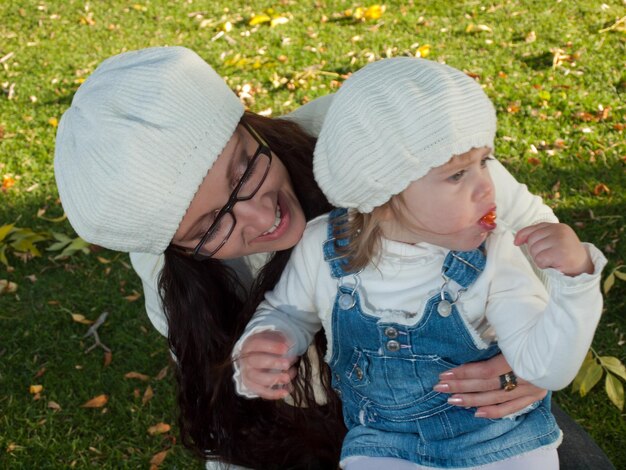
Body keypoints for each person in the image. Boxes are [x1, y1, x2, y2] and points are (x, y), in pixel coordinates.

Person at [53, 46, 614, 469]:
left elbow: (534, 234)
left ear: (247, 122)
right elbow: (236, 419)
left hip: (475, 403)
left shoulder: (378, 136)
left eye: (245, 168)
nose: (259, 216)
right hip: (326, 437)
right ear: (176, 248)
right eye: (210, 226)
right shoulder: (172, 285)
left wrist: (528, 362)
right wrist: (259, 358)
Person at [233, 58, 607, 469]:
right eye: (457, 175)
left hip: (500, 440)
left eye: (484, 161)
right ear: (384, 195)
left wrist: (574, 282)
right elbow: (287, 310)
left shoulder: (496, 256)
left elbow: (545, 368)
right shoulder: (323, 248)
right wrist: (268, 340)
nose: (486, 185)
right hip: (382, 445)